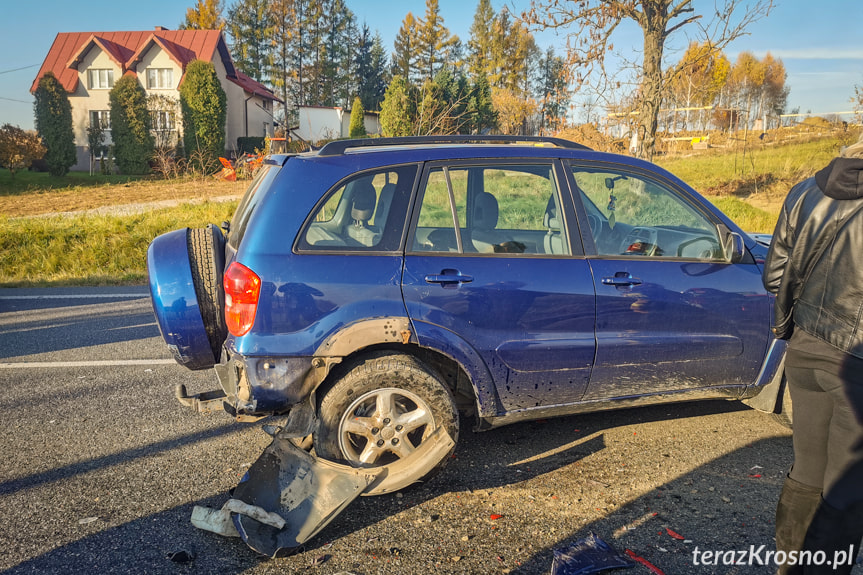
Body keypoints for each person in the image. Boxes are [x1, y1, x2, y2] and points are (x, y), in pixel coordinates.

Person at [763, 131, 863, 574]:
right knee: (845, 489)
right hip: (856, 367)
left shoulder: (804, 191)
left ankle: (789, 565)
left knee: (807, 468)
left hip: (803, 350)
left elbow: (774, 278)